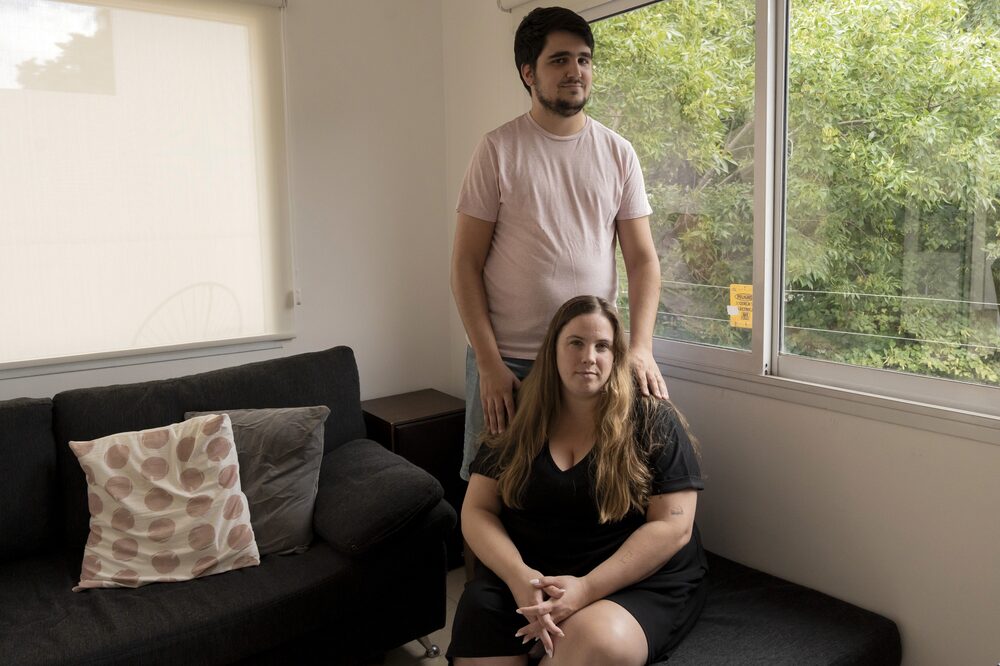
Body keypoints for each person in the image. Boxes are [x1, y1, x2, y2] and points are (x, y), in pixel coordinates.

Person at [451, 6, 668, 484]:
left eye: (585, 59)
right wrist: (488, 364)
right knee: (493, 490)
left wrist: (641, 348)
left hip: (592, 357)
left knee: (587, 489)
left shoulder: (618, 152)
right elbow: (464, 265)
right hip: (509, 360)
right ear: (528, 72)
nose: (576, 71)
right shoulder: (497, 150)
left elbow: (643, 260)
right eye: (560, 60)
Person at [447, 296, 707, 666]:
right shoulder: (518, 415)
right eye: (576, 343)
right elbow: (477, 509)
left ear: (616, 356)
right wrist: (520, 578)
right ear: (553, 350)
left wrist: (585, 590)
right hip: (534, 573)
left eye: (602, 346)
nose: (589, 356)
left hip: (630, 579)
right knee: (480, 623)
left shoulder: (652, 418)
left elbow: (674, 526)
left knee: (593, 641)